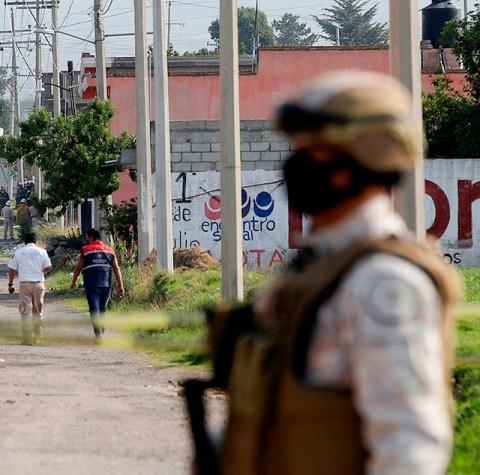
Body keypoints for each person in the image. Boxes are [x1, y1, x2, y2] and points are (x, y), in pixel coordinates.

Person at [189, 71, 462, 475]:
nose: (295, 163)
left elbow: (410, 446)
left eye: (313, 150)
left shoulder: (383, 283)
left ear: (360, 159)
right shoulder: (319, 268)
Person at [70, 229, 125, 340]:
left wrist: (74, 282)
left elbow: (78, 268)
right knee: (103, 309)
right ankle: (102, 332)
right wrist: (121, 286)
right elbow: (116, 268)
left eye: (87, 237)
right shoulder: (110, 250)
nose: (86, 240)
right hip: (106, 284)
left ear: (91, 237)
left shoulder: (85, 250)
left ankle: (98, 334)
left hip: (91, 285)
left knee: (94, 309)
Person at [7, 232, 52, 345]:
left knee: (25, 312)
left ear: (25, 241)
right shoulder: (42, 252)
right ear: (35, 241)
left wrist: (10, 284)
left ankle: (27, 338)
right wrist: (41, 273)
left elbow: (12, 269)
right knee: (38, 311)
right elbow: (48, 267)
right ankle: (37, 337)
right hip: (38, 284)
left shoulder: (19, 252)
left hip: (25, 284)